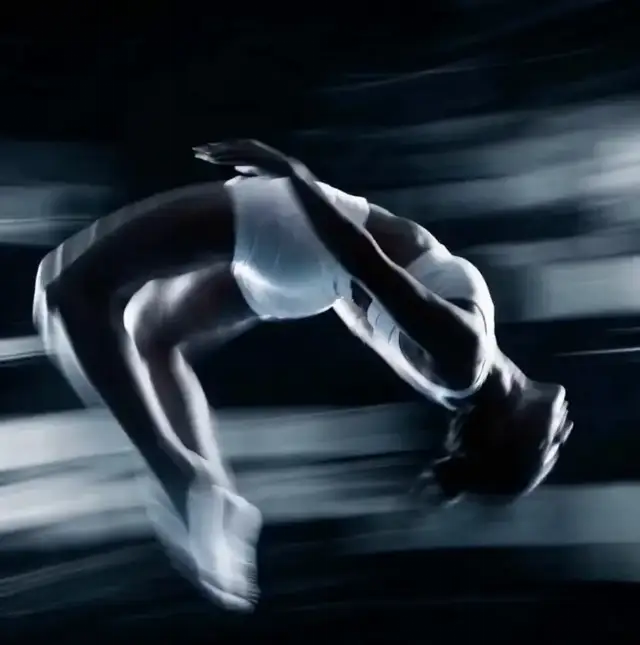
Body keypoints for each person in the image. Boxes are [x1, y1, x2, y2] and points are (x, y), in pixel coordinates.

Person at [32, 139, 572, 611]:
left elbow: (367, 263)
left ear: (506, 430)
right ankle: (210, 492)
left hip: (299, 234)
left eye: (546, 449)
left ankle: (176, 473)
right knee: (150, 333)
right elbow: (364, 297)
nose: (563, 433)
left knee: (69, 290)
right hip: (309, 278)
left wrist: (291, 174)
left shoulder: (466, 357)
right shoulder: (465, 375)